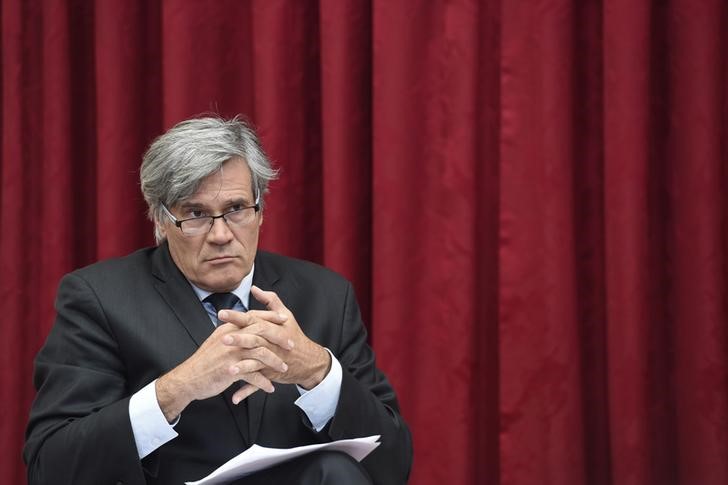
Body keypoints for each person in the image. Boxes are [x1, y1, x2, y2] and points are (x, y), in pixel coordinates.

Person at [24, 116, 413, 485]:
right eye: (195, 214)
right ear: (160, 220)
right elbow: (51, 465)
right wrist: (176, 389)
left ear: (260, 210)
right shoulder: (100, 299)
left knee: (335, 470)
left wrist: (317, 372)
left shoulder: (326, 296)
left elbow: (393, 463)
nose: (221, 234)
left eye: (236, 209)